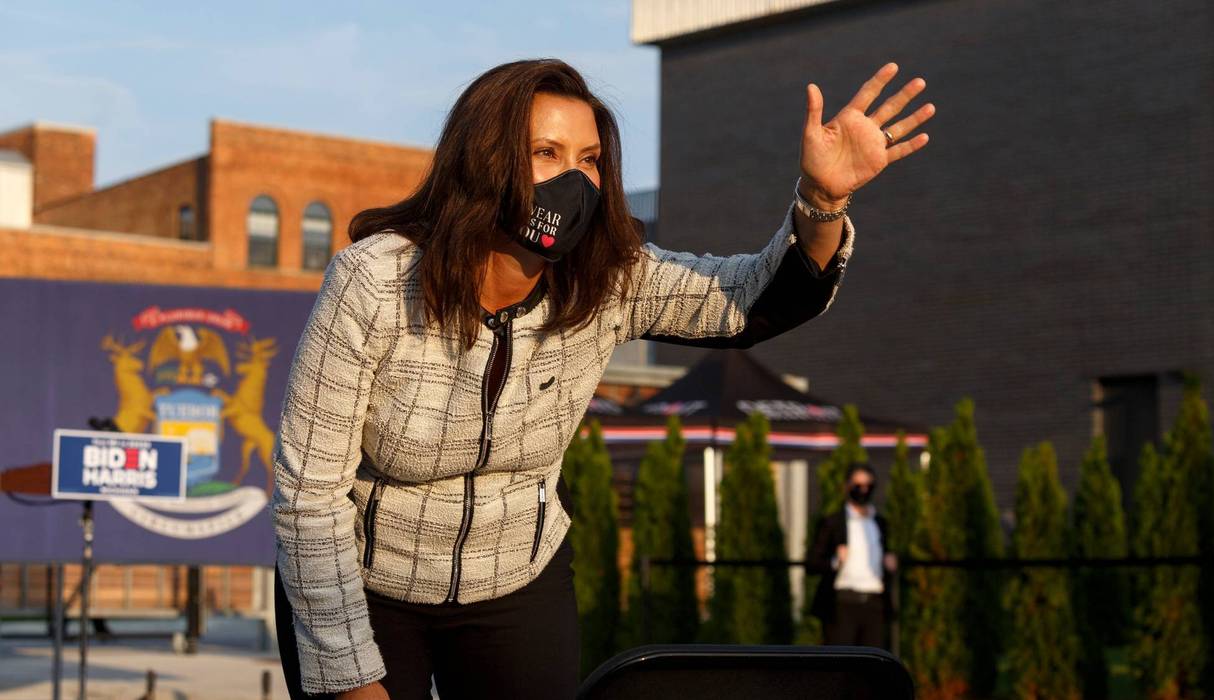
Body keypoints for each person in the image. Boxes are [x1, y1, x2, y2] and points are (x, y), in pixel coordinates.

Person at [269, 58, 934, 700]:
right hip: (362, 582)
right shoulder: (376, 280)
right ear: (485, 159)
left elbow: (751, 299)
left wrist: (820, 201)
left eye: (589, 160)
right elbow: (309, 495)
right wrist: (350, 675)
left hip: (517, 580)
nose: (575, 180)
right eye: (546, 154)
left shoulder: (608, 277)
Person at [808, 462, 899, 648]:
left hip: (875, 603)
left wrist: (890, 564)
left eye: (868, 486)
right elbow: (812, 563)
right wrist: (835, 561)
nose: (863, 491)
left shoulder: (880, 523)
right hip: (843, 604)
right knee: (841, 662)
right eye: (858, 486)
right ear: (847, 487)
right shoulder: (833, 523)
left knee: (872, 662)